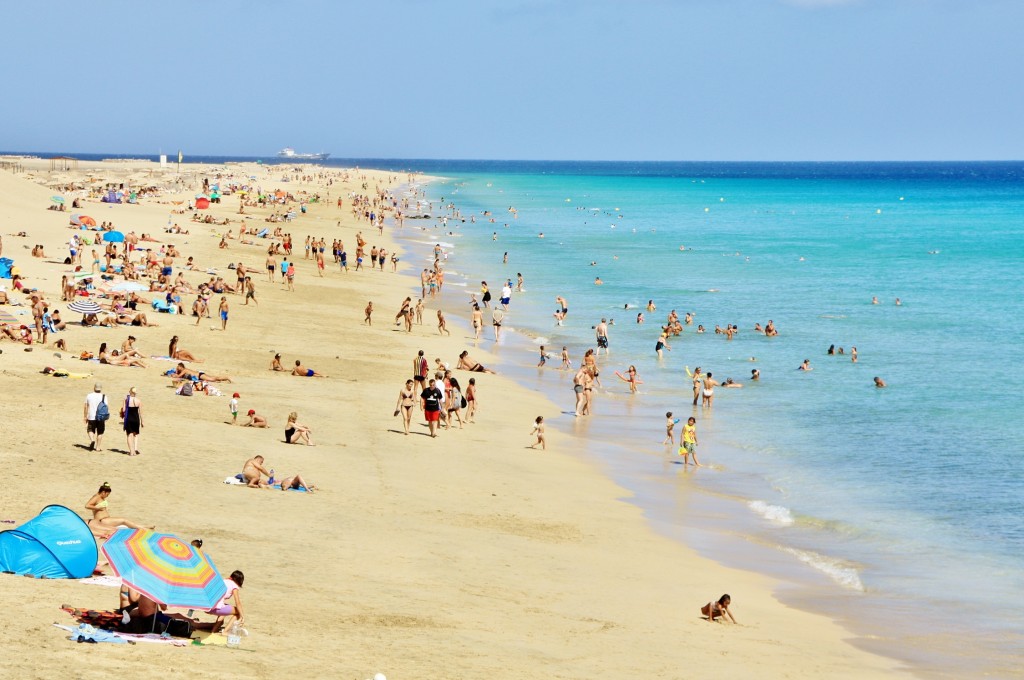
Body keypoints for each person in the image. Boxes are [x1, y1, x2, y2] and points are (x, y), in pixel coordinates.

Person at [85, 482, 153, 537]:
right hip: (102, 520)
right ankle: (143, 528)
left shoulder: (100, 497)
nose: (107, 496)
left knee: (125, 522)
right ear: (103, 492)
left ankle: (143, 526)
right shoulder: (96, 497)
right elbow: (87, 505)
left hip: (106, 519)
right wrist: (97, 508)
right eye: (107, 494)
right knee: (124, 521)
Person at [84, 382, 107, 451]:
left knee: (90, 430)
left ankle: (92, 440)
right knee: (100, 432)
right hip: (101, 417)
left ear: (94, 388)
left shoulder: (89, 396)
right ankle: (98, 447)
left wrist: (85, 416)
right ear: (101, 389)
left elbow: (86, 407)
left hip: (91, 416)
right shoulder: (104, 396)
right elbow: (106, 407)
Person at [122, 387, 142, 456]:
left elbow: (124, 410)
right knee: (135, 434)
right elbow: (141, 412)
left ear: (130, 392)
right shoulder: (138, 400)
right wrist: (142, 421)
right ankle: (135, 450)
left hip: (129, 419)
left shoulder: (126, 400)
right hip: (136, 419)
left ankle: (132, 451)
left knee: (129, 435)